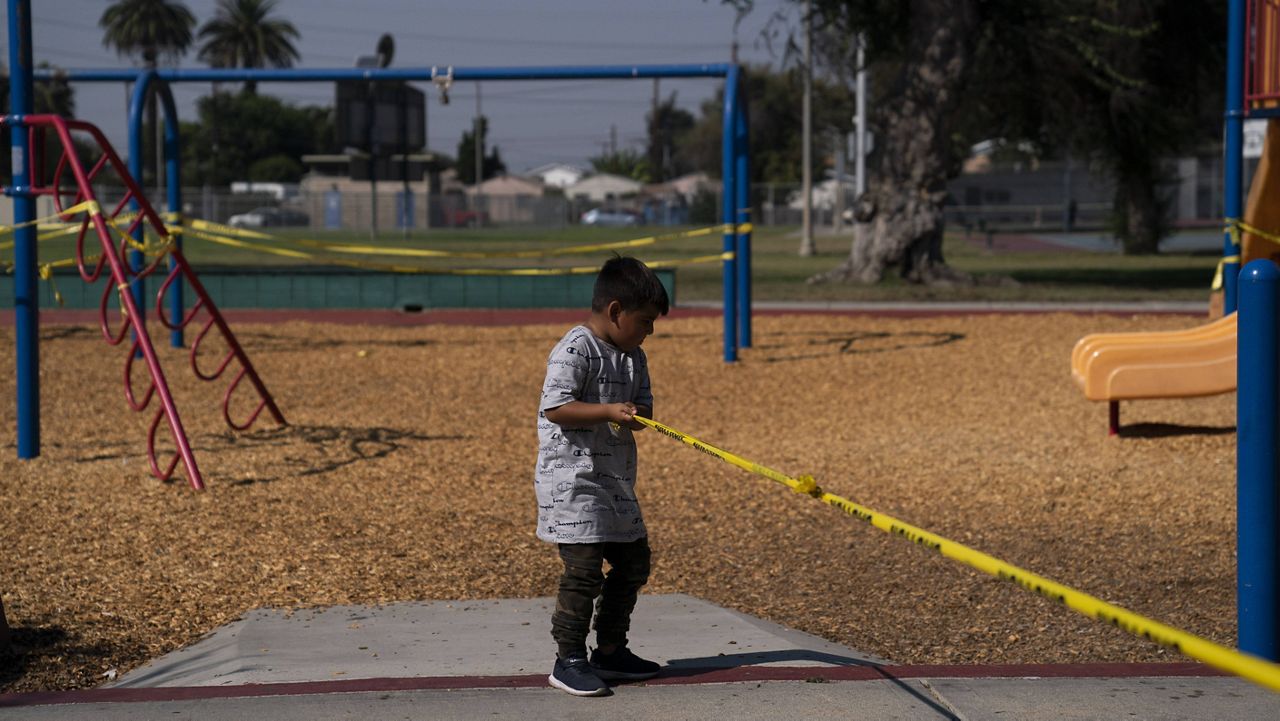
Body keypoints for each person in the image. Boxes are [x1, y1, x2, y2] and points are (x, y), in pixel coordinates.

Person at [534, 255, 670, 696]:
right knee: (584, 570)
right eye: (645, 321)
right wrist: (609, 411)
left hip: (615, 480)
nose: (650, 330)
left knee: (634, 562)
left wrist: (637, 416)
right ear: (616, 311)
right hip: (573, 482)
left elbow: (644, 406)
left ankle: (610, 651)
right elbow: (555, 407)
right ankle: (568, 658)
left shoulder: (635, 357)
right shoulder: (576, 348)